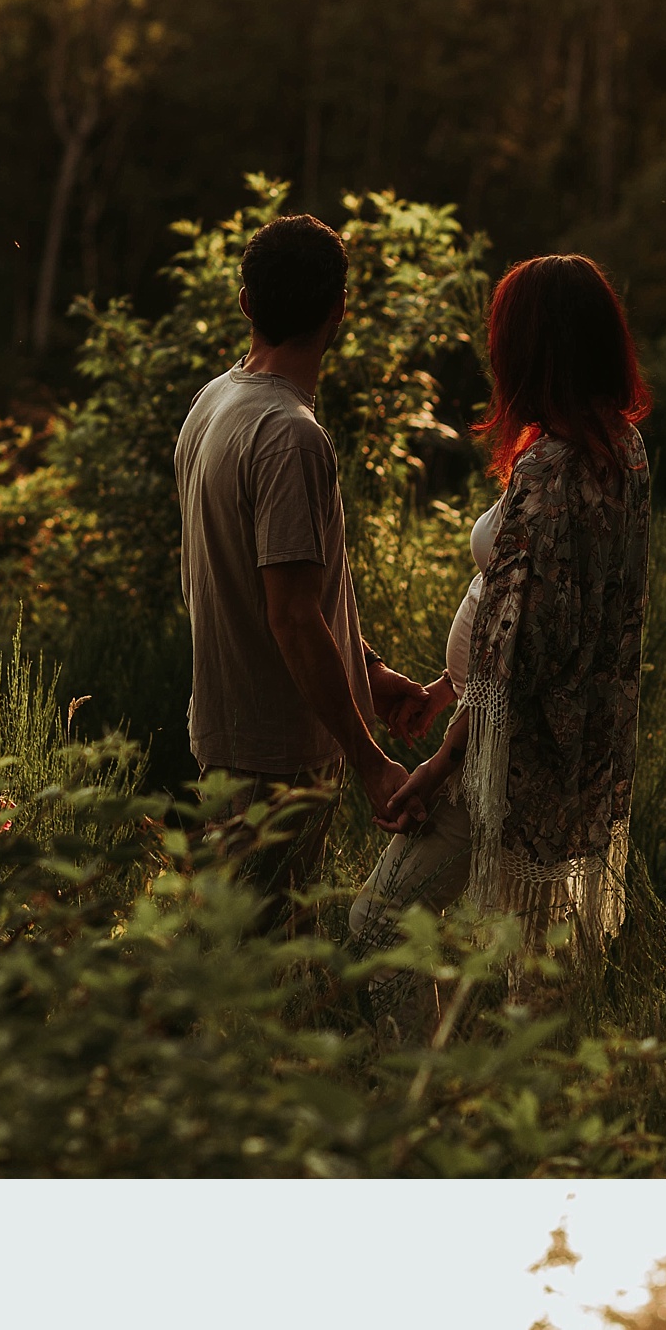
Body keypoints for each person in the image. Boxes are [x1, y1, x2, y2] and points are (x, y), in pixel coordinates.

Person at [348, 248, 653, 1021]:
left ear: (532, 348)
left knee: (380, 927)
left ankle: (408, 1114)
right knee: (535, 979)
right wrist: (449, 685)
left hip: (502, 757)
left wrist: (446, 757)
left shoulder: (549, 472)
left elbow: (525, 647)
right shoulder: (621, 452)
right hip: (556, 752)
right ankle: (514, 1117)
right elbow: (552, 616)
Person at [172, 205, 450, 901]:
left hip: (230, 742)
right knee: (265, 977)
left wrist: (370, 674)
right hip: (278, 761)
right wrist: (370, 762)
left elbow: (284, 594)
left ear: (245, 303)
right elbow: (292, 617)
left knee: (238, 960)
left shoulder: (213, 404)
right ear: (340, 309)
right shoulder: (290, 434)